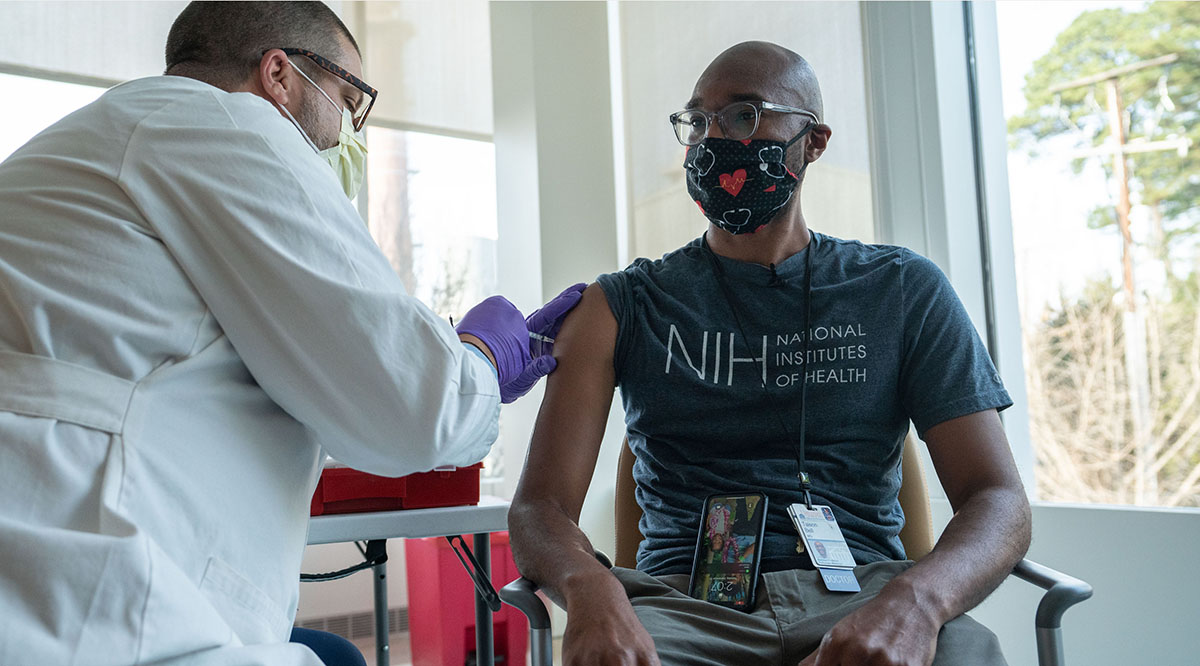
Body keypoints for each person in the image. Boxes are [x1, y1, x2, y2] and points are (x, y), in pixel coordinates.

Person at [0, 2, 580, 664]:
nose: (350, 135)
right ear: (280, 75)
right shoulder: (226, 125)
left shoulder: (106, 140)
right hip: (93, 595)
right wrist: (476, 360)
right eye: (347, 98)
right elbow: (413, 409)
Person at [508, 41, 1032, 666]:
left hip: (865, 596)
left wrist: (919, 602)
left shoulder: (901, 289)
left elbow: (999, 500)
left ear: (814, 141)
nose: (713, 138)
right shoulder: (618, 306)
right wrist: (592, 586)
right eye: (698, 120)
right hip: (680, 609)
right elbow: (539, 508)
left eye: (745, 115)